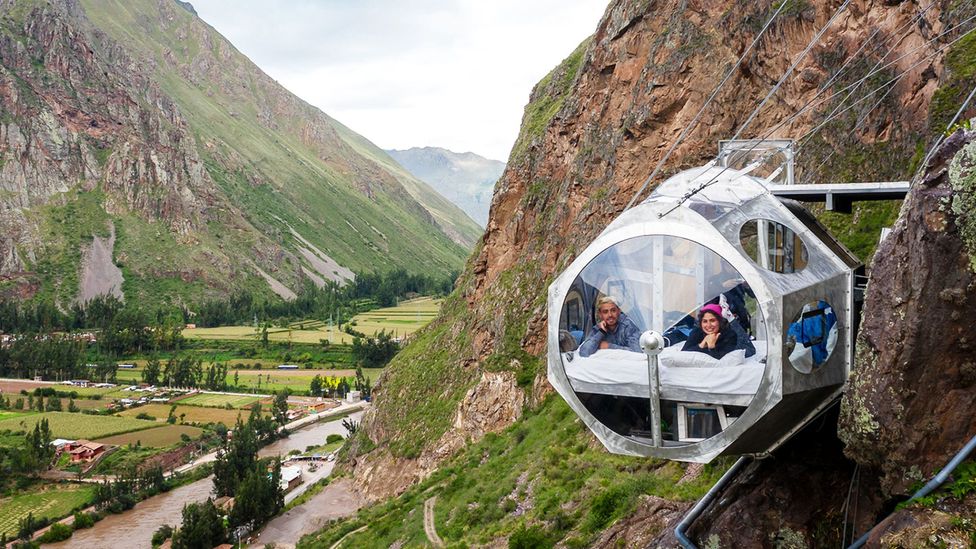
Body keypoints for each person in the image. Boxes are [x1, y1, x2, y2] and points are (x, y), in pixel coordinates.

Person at [681, 303, 755, 359]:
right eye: (705, 321)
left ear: (720, 321)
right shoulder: (697, 331)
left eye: (712, 320)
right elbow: (684, 353)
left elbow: (722, 359)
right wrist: (701, 345)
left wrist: (711, 347)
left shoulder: (728, 334)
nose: (708, 325)